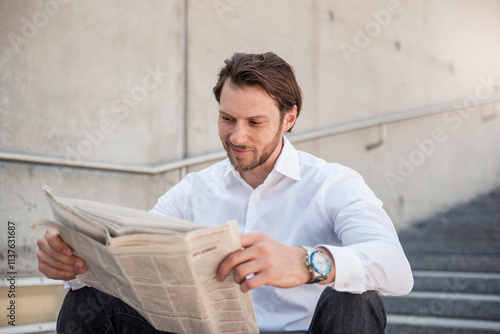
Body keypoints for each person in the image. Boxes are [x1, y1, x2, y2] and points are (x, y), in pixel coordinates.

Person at [37, 52, 413, 333]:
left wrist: (306, 263)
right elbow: (134, 260)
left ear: (289, 118)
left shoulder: (333, 183)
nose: (237, 136)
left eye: (255, 122)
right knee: (87, 298)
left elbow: (395, 268)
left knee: (356, 298)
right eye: (227, 118)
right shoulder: (192, 190)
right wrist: (77, 264)